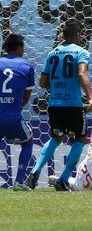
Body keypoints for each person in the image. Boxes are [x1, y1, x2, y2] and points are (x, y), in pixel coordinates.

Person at [26, 19, 92, 190]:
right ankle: (63, 179)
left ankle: (35, 172)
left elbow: (43, 82)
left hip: (54, 105)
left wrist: (58, 86)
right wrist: (91, 98)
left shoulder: (52, 54)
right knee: (80, 139)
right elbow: (82, 73)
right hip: (73, 105)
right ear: (78, 35)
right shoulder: (81, 52)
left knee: (56, 137)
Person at [0, 33, 35, 191]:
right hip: (13, 118)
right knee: (27, 142)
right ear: (20, 47)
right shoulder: (27, 67)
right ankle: (19, 182)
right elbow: (26, 99)